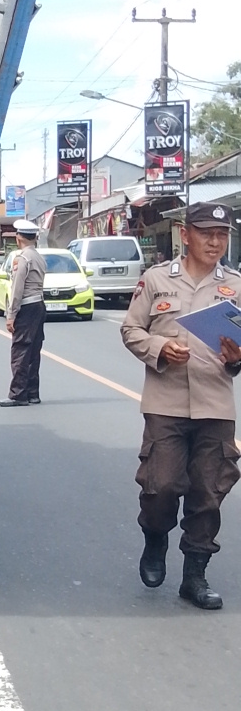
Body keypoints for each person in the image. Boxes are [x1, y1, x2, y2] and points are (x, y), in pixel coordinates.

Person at [121, 199, 241, 608]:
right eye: (206, 233)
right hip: (165, 403)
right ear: (185, 235)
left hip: (216, 405)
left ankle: (195, 576)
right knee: (161, 486)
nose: (215, 241)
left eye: (222, 234)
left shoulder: (236, 285)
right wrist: (159, 347)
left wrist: (236, 356)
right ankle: (155, 539)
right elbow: (131, 329)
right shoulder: (156, 280)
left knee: (209, 492)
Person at [0, 221, 46, 407]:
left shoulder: (23, 258)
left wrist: (11, 315)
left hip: (26, 307)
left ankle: (18, 394)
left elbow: (17, 289)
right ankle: (33, 393)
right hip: (39, 305)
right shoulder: (39, 257)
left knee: (20, 350)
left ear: (18, 238)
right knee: (34, 351)